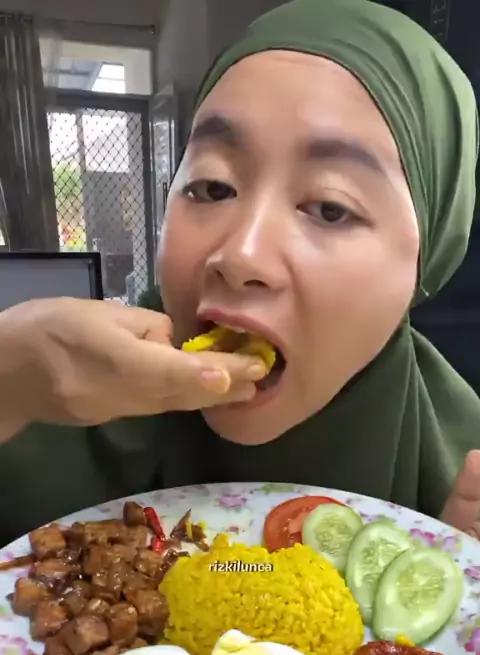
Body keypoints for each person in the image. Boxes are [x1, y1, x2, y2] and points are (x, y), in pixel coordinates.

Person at [0, 0, 480, 546]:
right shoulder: (46, 403)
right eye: (212, 187)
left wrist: (457, 582)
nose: (240, 255)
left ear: (424, 262)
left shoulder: (464, 473)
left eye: (330, 208)